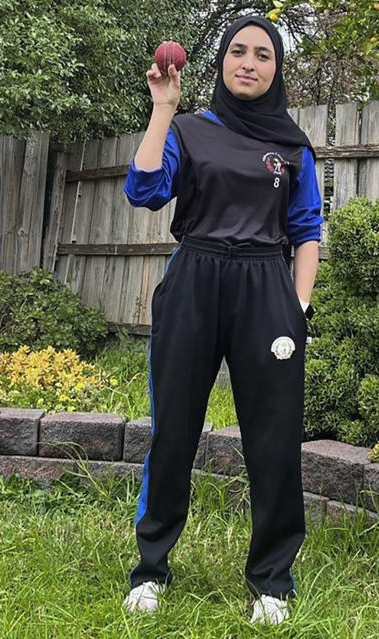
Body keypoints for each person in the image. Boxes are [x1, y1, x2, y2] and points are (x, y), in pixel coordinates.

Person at [120, 14, 323, 625]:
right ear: (222, 62)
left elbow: (308, 228)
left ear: (277, 69)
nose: (249, 62)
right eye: (238, 51)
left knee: (274, 436)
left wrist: (298, 306)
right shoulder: (188, 129)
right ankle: (150, 570)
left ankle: (272, 581)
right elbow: (144, 190)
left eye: (264, 54)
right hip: (195, 277)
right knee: (173, 428)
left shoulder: (292, 146)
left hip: (267, 286)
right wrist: (162, 108)